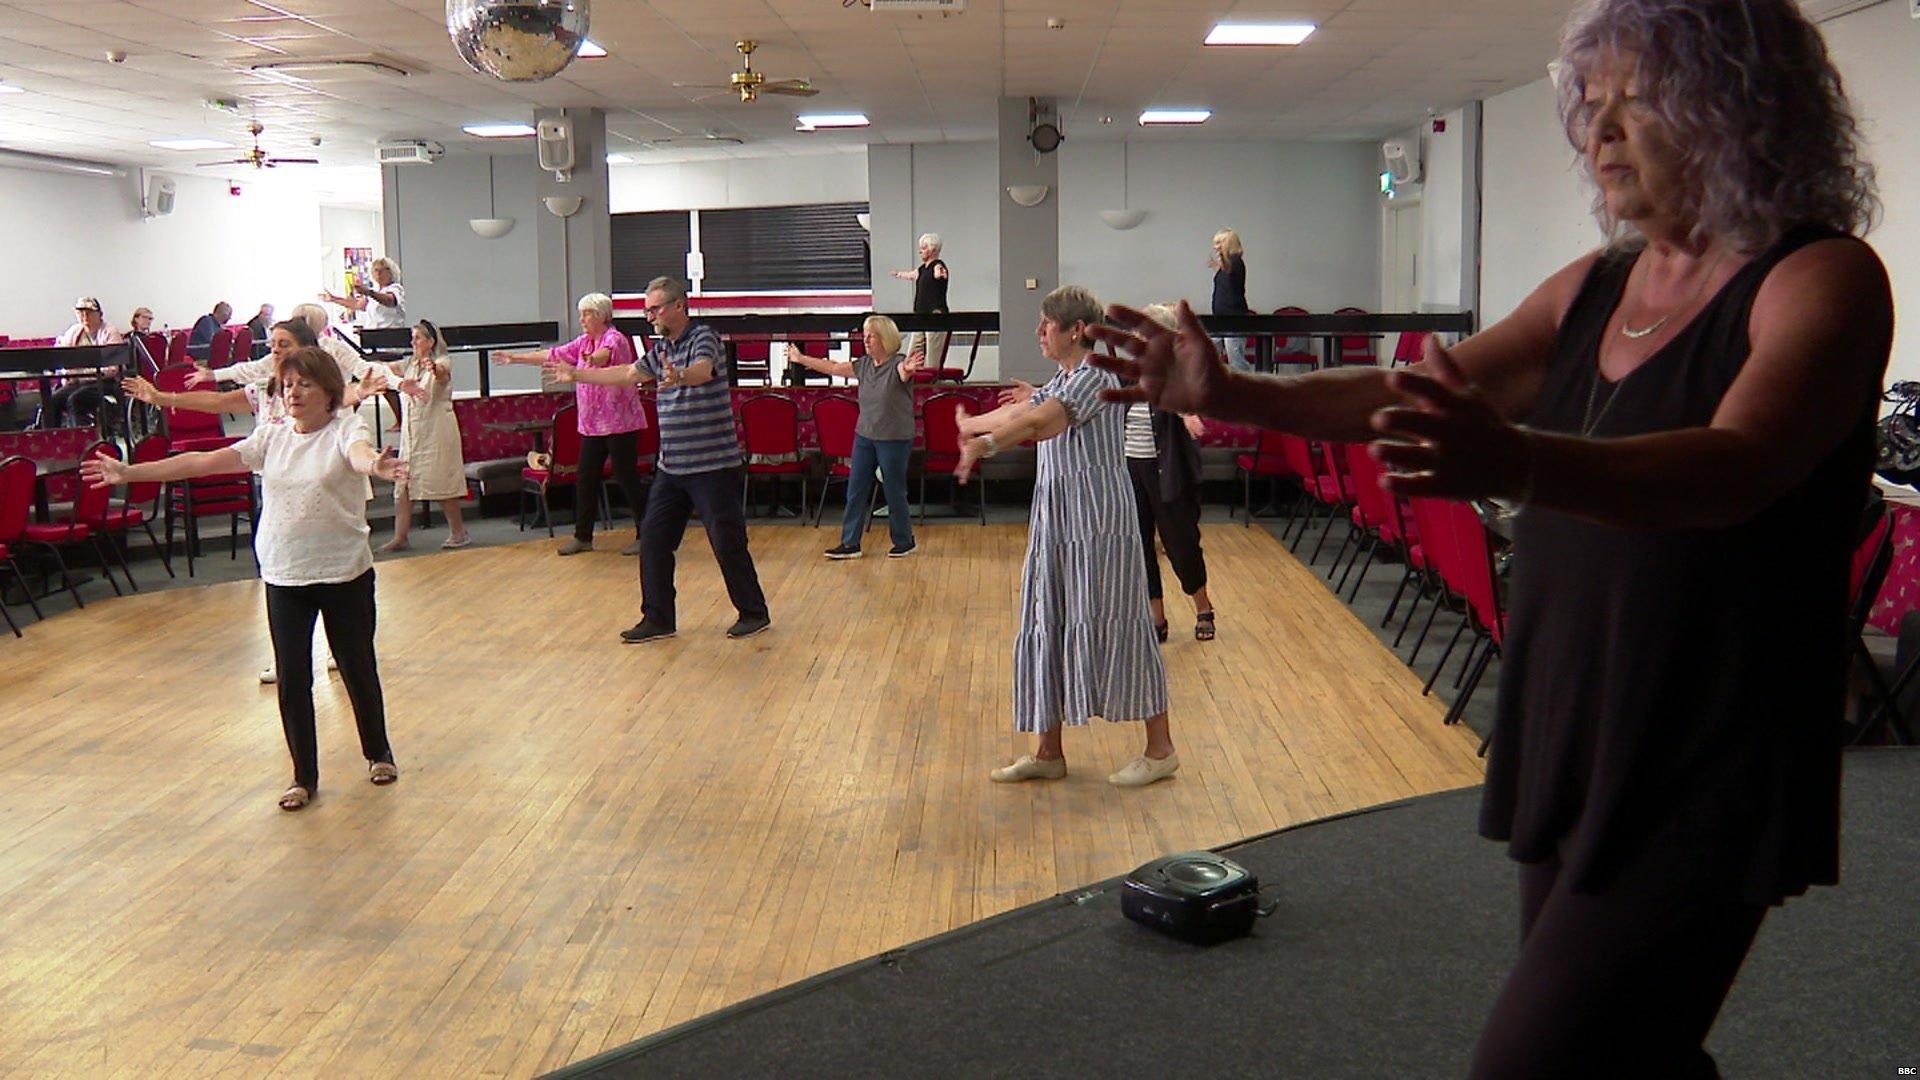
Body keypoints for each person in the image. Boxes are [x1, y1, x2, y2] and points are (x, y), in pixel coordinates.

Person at [1089, 0, 1890, 1069]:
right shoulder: (1598, 287)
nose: (1594, 134)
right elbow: (1410, 391)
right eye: (1586, 104)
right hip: (1573, 696)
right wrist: (1237, 388)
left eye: (1634, 103)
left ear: (1740, 109)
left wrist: (1517, 463)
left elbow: (1738, 466)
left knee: (1543, 1057)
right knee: (1626, 1049)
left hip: (1705, 724)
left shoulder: (1819, 278)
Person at [86, 345, 408, 812]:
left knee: (357, 665)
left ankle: (378, 752)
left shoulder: (346, 428)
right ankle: (303, 777)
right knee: (293, 677)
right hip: (284, 573)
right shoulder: (271, 438)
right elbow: (198, 462)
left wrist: (376, 464)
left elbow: (359, 456)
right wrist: (130, 471)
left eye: (305, 384)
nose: (293, 393)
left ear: (330, 393)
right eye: (288, 384)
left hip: (344, 572)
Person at [953, 285, 1176, 788]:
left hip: (1099, 523)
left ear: (1076, 329)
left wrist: (986, 444)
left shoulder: (1097, 375)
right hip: (1058, 519)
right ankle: (1048, 751)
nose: (1038, 332)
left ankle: (1161, 750)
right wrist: (973, 423)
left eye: (1046, 324)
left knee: (1119, 622)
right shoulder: (1065, 374)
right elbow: (1024, 408)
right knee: (1046, 618)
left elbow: (1040, 420)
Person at [127, 319, 389, 686]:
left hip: (329, 477)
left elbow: (341, 402)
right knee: (285, 577)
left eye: (284, 344)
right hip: (282, 489)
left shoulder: (326, 404)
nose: (276, 350)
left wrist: (362, 401)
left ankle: (341, 648)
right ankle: (289, 656)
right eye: (275, 344)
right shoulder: (267, 392)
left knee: (350, 634)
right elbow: (219, 400)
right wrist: (162, 398)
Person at [548, 276, 770, 642]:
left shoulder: (704, 338)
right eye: (647, 309)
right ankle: (658, 619)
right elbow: (629, 373)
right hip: (673, 468)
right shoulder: (660, 347)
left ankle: (753, 612)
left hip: (713, 466)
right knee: (653, 540)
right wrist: (577, 374)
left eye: (655, 308)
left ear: (679, 306)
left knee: (726, 541)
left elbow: (702, 371)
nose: (649, 316)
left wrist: (679, 375)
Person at [496, 293, 648, 556]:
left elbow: (604, 355)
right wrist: (515, 358)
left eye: (586, 314)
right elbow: (553, 354)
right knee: (585, 478)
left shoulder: (615, 339)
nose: (582, 319)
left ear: (601, 315)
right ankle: (583, 536)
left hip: (620, 424)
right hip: (591, 426)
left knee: (627, 478)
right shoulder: (583, 341)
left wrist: (590, 361)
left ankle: (647, 534)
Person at [787, 316, 923, 559]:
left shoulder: (898, 364)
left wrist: (910, 369)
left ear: (885, 339)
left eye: (871, 335)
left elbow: (904, 372)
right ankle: (851, 543)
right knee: (856, 488)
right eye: (865, 335)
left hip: (893, 438)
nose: (866, 340)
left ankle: (904, 541)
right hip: (865, 436)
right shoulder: (864, 365)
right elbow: (833, 367)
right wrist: (800, 358)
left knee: (894, 490)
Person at [1126, 303, 1216, 642]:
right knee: (1140, 547)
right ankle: (1157, 619)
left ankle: (1203, 607)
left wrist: (1186, 414)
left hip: (1169, 473)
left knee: (1182, 545)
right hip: (1132, 470)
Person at [378, 320, 470, 552]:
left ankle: (459, 533)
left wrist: (433, 368)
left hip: (436, 432)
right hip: (412, 435)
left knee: (441, 483)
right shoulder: (409, 365)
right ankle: (400, 537)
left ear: (430, 342)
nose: (413, 342)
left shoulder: (442, 361)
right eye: (412, 337)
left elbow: (442, 374)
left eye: (417, 337)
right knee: (403, 485)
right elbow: (385, 369)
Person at [47, 296, 125, 427]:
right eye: (80, 313)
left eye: (88, 312)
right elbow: (61, 356)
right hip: (78, 382)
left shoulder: (110, 332)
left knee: (76, 399)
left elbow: (112, 369)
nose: (84, 316)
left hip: (104, 382)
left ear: (99, 314)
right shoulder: (74, 331)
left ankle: (82, 438)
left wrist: (81, 373)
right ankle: (54, 439)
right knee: (52, 401)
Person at [890, 232, 951, 371]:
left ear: (932, 250)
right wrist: (899, 274)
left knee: (932, 358)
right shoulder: (922, 269)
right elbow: (912, 274)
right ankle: (914, 379)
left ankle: (933, 383)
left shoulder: (938, 266)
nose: (920, 251)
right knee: (913, 353)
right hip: (920, 317)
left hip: (935, 316)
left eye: (923, 248)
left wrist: (941, 274)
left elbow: (940, 274)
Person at [1207, 228, 1252, 371]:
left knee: (1237, 361)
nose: (1215, 247)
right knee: (1208, 353)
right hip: (1221, 320)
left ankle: (1249, 387)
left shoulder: (1235, 262)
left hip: (1233, 320)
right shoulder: (1227, 265)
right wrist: (1217, 268)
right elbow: (1226, 282)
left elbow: (1232, 282)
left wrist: (1220, 265)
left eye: (1219, 243)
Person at [322, 257, 407, 329]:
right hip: (373, 336)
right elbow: (357, 304)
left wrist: (368, 292)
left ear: (391, 272)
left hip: (390, 338)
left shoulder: (395, 288)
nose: (378, 273)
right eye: (376, 270)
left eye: (382, 270)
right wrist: (333, 299)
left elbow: (389, 300)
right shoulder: (375, 290)